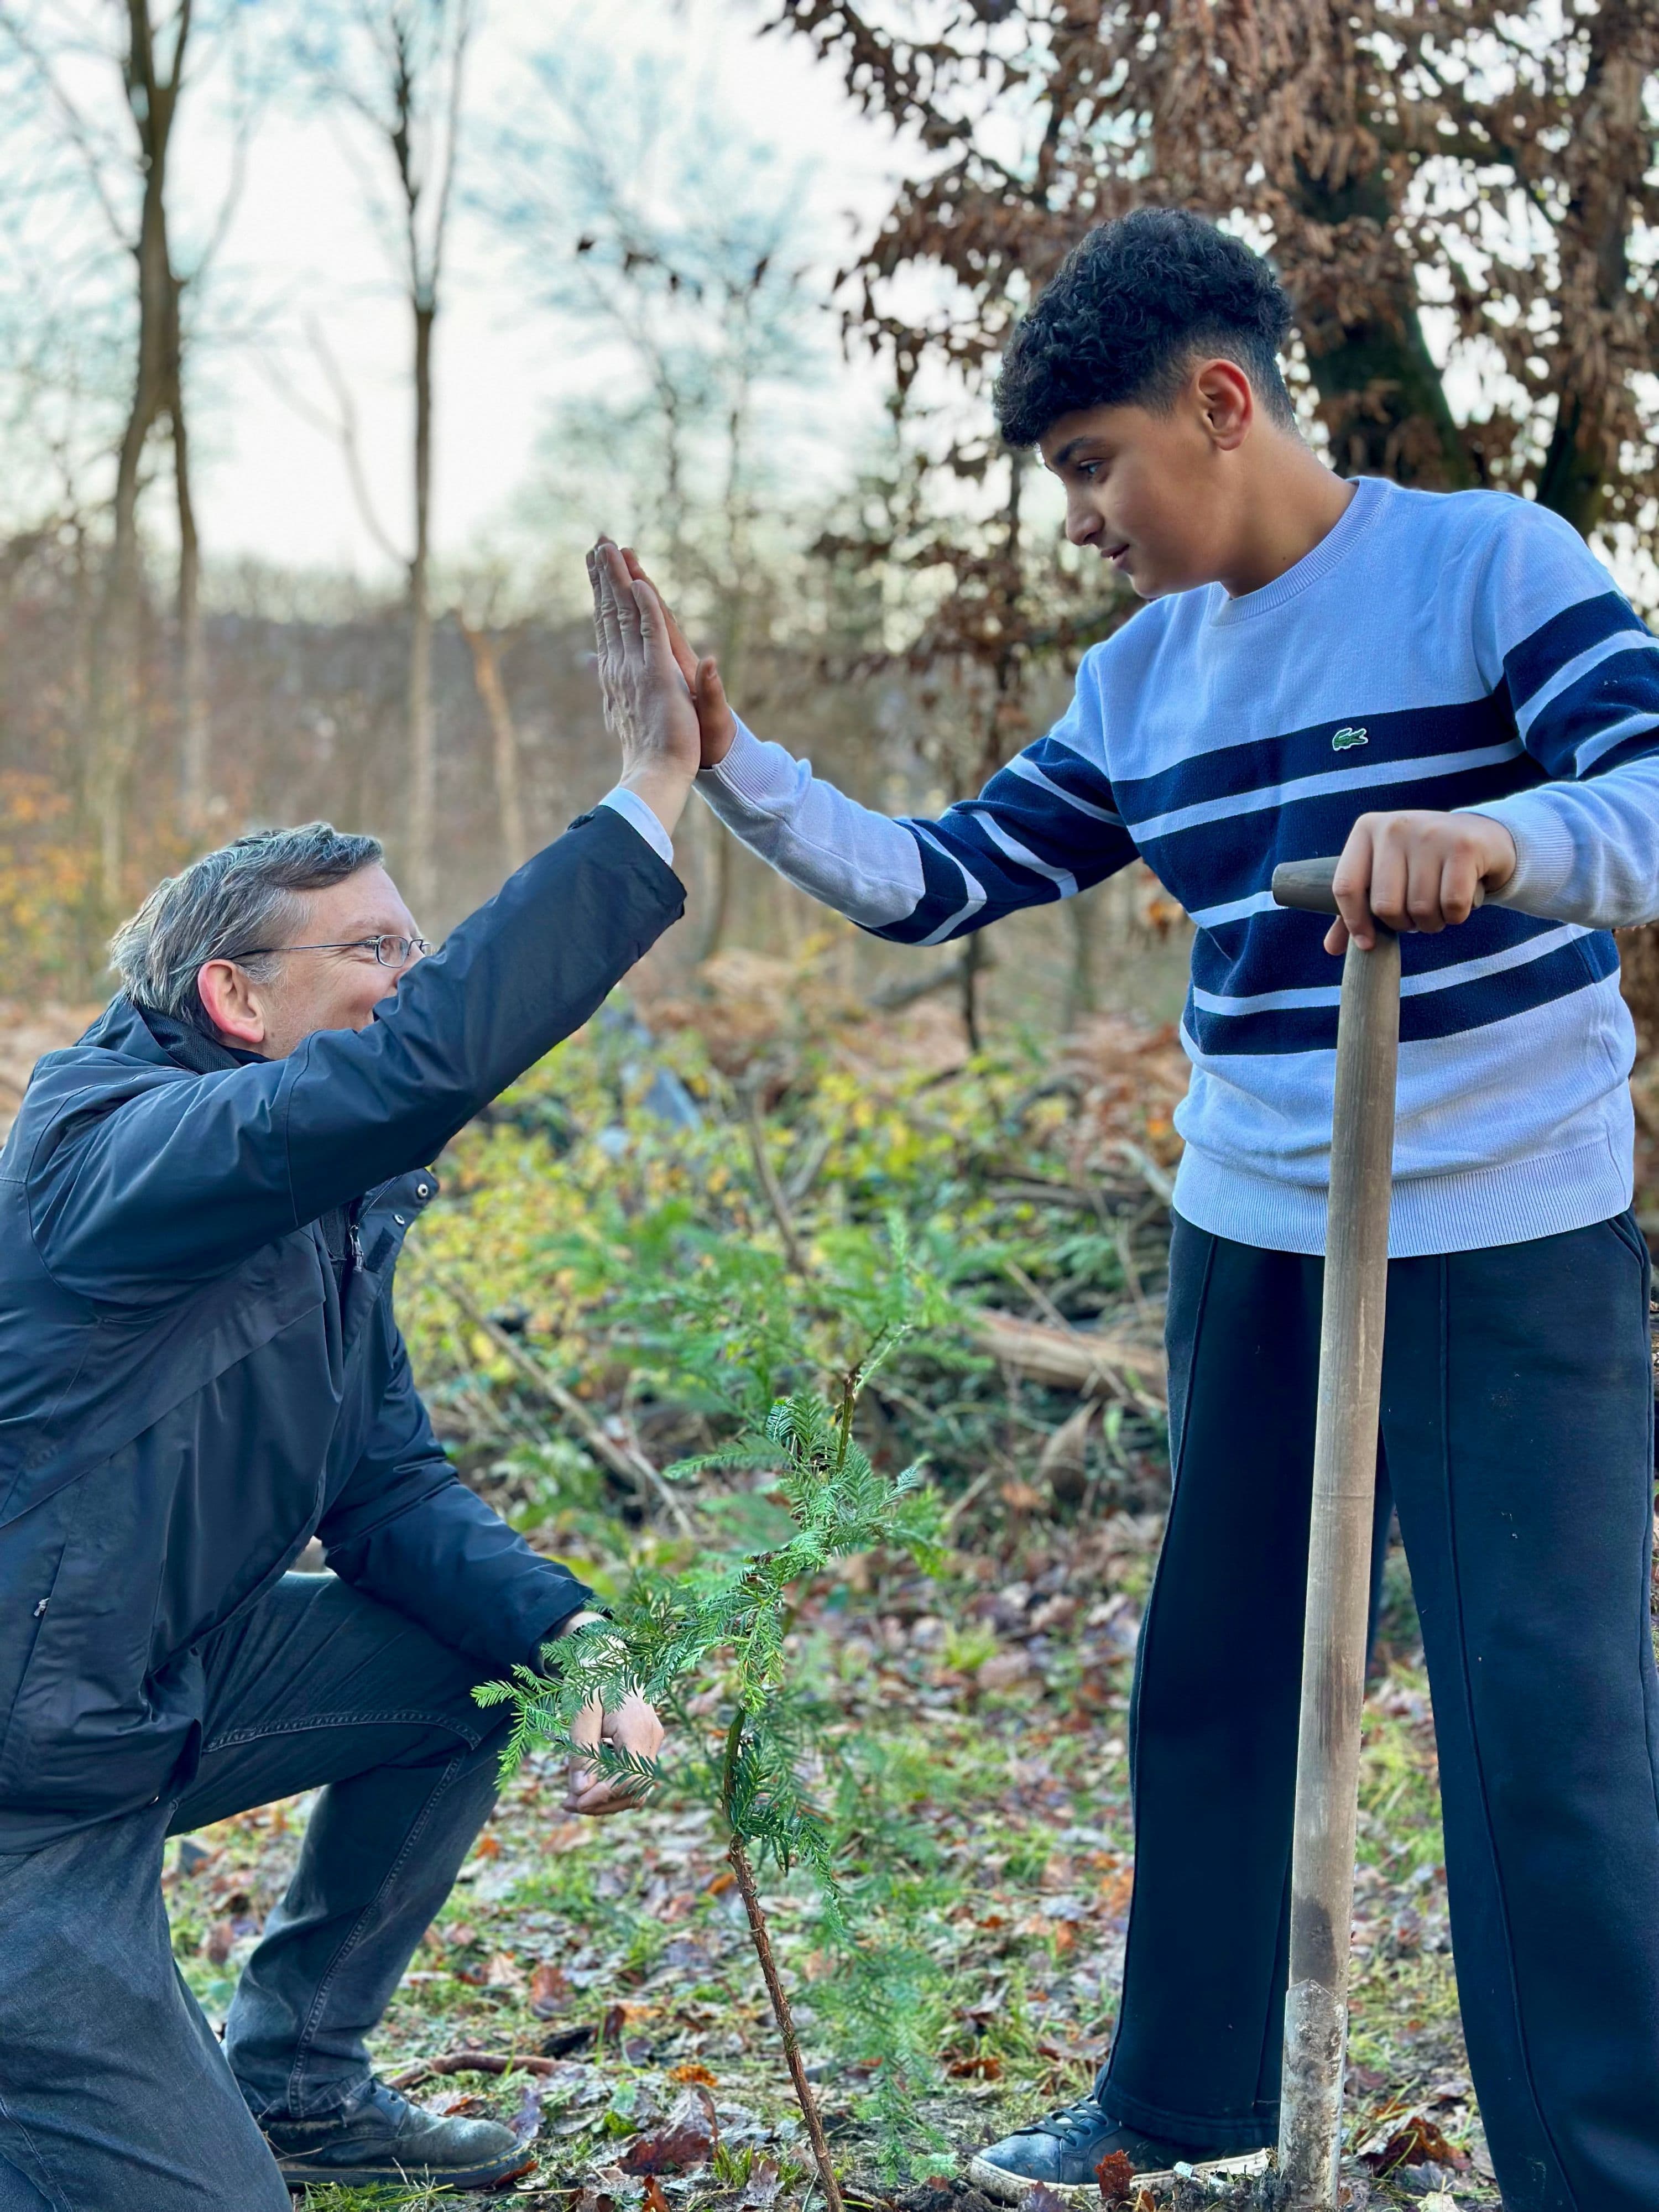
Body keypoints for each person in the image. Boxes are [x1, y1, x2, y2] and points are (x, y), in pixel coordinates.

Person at [588, 206, 1659, 2212]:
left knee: (1552, 1713)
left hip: (1509, 1226)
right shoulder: (1142, 677)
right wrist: (735, 764)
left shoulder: (1490, 568)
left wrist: (1494, 838)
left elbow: (1657, 795)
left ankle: (1605, 2168)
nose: (1082, 515)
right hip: (1259, 1225)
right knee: (1219, 1669)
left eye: (1093, 464)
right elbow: (939, 878)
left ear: (1220, 403)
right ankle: (1186, 2107)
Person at [0, 618, 706, 2209]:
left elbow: (387, 1495)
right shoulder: (120, 1153)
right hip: (23, 1788)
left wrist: (574, 1634)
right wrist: (650, 789)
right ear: (235, 999)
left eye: (415, 943)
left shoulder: (328, 1214)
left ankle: (303, 2078)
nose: (417, 974)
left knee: (482, 1659)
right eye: (377, 953)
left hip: (141, 1702)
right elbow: (415, 1072)